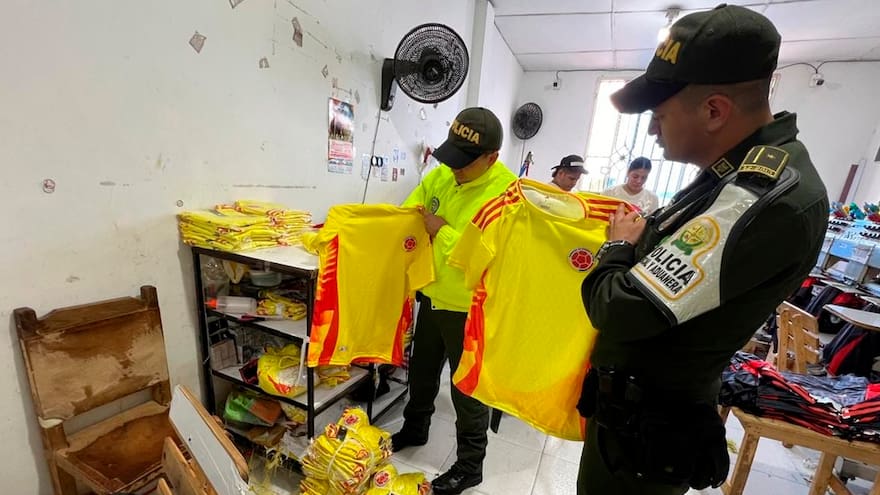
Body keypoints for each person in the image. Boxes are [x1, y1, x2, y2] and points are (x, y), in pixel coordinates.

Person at [576, 5, 828, 495]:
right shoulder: (735, 174)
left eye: (660, 115)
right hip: (633, 417)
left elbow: (620, 309)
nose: (652, 131)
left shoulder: (762, 197)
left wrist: (619, 250)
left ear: (714, 110)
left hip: (646, 431)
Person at [392, 107, 516, 495]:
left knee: (467, 390)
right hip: (431, 294)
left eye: (465, 162)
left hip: (470, 309)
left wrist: (441, 231)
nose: (454, 168)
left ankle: (469, 466)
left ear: (491, 158)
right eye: (452, 157)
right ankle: (415, 429)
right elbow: (413, 208)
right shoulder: (444, 173)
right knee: (422, 372)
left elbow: (486, 255)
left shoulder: (507, 194)